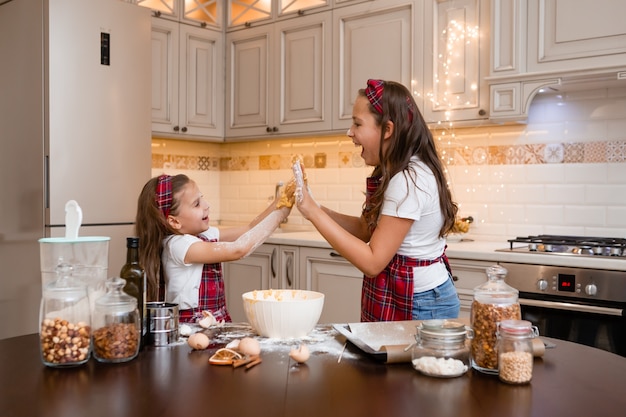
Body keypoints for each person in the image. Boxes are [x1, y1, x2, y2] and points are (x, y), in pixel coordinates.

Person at [295, 79, 460, 322]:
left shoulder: (408, 179)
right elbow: (365, 230)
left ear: (388, 130)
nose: (350, 132)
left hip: (421, 303)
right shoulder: (396, 171)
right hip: (415, 296)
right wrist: (315, 206)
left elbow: (373, 262)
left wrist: (313, 213)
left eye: (357, 124)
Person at [135, 174, 292, 323]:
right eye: (196, 204)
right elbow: (239, 249)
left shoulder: (203, 234)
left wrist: (281, 202)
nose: (206, 206)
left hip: (213, 321)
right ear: (174, 222)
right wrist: (280, 215)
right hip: (191, 328)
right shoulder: (178, 245)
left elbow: (249, 229)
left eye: (202, 199)